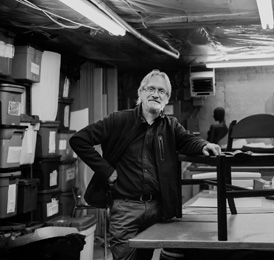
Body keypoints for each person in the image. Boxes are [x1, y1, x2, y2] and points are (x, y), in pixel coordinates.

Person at [69, 69, 221, 260]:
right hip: (125, 209)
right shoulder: (119, 120)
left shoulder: (171, 125)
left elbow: (188, 140)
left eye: (162, 91)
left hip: (156, 209)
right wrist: (106, 170)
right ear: (141, 92)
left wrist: (205, 145)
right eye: (151, 88)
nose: (156, 94)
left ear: (167, 98)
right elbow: (79, 140)